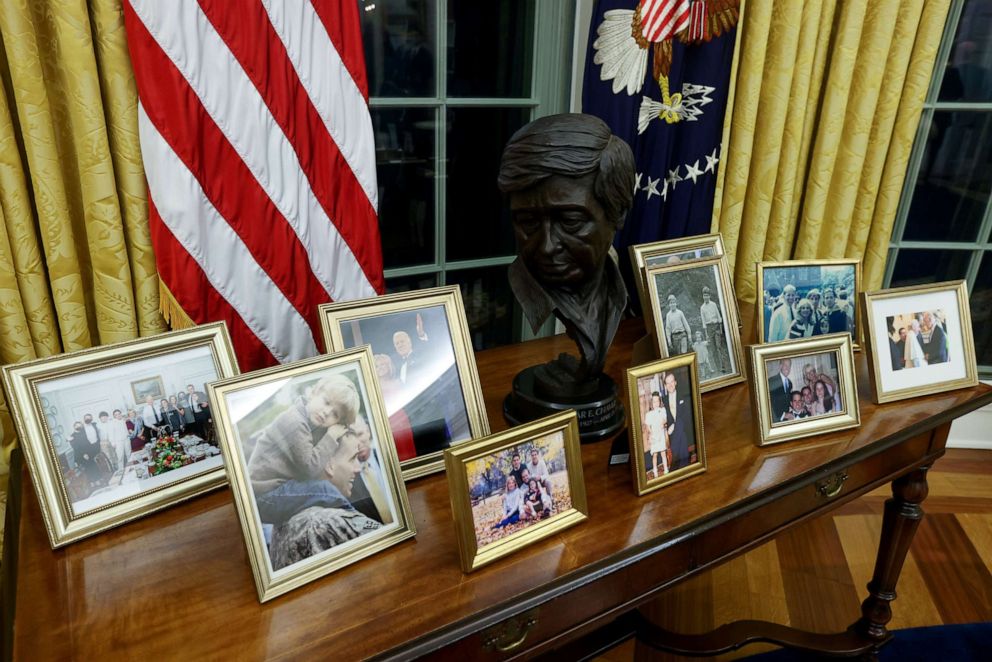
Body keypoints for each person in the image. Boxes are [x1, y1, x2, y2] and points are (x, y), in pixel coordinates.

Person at [498, 113, 634, 386]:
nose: (546, 246)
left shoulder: (620, 296)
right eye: (528, 222)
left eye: (571, 221)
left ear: (617, 212)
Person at [249, 374, 360, 525]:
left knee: (322, 490)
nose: (327, 412)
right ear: (314, 392)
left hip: (276, 492)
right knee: (324, 490)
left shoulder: (311, 423)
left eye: (335, 414)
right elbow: (310, 467)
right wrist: (331, 436)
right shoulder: (294, 421)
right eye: (326, 402)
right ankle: (356, 523)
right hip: (264, 496)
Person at [267, 430, 382, 571]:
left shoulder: (280, 525)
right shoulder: (333, 521)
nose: (358, 468)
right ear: (328, 465)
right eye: (352, 459)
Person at [373, 353, 416, 462]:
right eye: (377, 366)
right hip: (386, 421)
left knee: (407, 448)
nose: (380, 368)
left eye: (383, 365)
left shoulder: (398, 382)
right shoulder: (373, 386)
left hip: (402, 418)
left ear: (389, 366)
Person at [662, 373, 692, 470]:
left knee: (680, 424)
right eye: (668, 383)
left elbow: (687, 414)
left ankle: (674, 456)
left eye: (672, 382)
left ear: (675, 382)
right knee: (682, 436)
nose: (670, 385)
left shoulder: (683, 395)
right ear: (665, 386)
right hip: (674, 434)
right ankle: (685, 465)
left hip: (684, 427)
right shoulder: (664, 400)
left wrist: (674, 425)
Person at [699, 286, 729, 373]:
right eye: (704, 295)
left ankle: (723, 366)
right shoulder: (702, 308)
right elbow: (704, 322)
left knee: (719, 346)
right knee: (713, 349)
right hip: (709, 329)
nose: (706, 297)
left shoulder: (713, 304)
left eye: (707, 295)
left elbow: (719, 317)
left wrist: (720, 329)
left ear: (709, 296)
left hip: (716, 327)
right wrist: (707, 335)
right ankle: (718, 367)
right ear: (703, 296)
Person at [69, 420, 102, 488]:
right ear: (74, 427)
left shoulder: (83, 432)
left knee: (93, 466)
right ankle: (92, 481)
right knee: (88, 468)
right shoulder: (72, 436)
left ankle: (97, 479)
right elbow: (76, 447)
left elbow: (88, 442)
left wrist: (89, 452)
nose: (78, 426)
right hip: (81, 455)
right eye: (77, 425)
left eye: (80, 425)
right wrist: (84, 454)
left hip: (88, 452)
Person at [644, 391, 669, 479]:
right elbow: (647, 426)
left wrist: (664, 422)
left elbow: (665, 419)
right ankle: (655, 470)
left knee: (663, 452)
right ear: (651, 403)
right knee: (655, 454)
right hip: (654, 436)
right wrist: (651, 434)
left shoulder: (662, 410)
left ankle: (666, 468)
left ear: (660, 401)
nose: (656, 403)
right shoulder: (649, 414)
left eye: (657, 401)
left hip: (661, 434)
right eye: (654, 402)